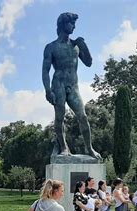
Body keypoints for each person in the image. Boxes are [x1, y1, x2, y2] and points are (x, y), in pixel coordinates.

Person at [42, 12, 101, 159]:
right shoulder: (51, 47)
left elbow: (88, 63)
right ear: (63, 25)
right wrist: (48, 90)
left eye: (75, 24)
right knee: (60, 118)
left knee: (83, 117)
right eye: (71, 23)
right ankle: (63, 147)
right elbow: (45, 70)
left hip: (73, 86)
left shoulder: (76, 45)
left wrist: (84, 46)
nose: (74, 26)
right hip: (58, 85)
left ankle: (89, 148)